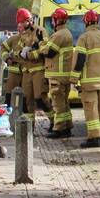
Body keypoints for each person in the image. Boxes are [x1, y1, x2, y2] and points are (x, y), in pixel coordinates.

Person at [70, 10, 100, 148]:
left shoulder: (84, 38)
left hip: (89, 83)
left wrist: (74, 79)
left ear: (86, 22)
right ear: (98, 22)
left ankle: (93, 138)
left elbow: (80, 60)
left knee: (91, 109)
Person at [41, 8, 75, 138]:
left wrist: (40, 44)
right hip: (64, 75)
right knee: (64, 103)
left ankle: (59, 129)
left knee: (58, 104)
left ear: (56, 20)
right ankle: (67, 127)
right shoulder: (67, 33)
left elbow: (49, 52)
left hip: (57, 75)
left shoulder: (59, 35)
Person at [15, 8, 48, 123]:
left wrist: (30, 54)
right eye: (19, 23)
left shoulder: (40, 31)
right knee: (28, 101)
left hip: (38, 71)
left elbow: (45, 50)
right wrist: (20, 53)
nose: (21, 25)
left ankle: (54, 123)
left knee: (42, 99)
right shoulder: (23, 35)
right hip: (27, 73)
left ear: (29, 21)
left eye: (22, 22)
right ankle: (30, 128)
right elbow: (17, 52)